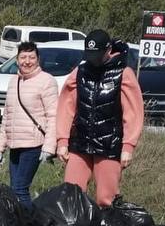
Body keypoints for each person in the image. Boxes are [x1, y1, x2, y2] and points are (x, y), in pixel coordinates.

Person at [55, 30, 143, 206]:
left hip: (109, 144)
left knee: (106, 199)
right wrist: (62, 141)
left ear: (108, 50)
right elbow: (66, 107)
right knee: (71, 195)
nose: (92, 59)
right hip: (80, 142)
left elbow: (133, 113)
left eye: (97, 55)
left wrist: (128, 146)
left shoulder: (123, 74)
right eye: (90, 55)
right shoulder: (79, 72)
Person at [0, 41, 58, 207]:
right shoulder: (13, 81)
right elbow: (7, 116)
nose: (27, 61)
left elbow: (53, 116)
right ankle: (20, 225)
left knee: (20, 188)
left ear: (38, 59)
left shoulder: (46, 81)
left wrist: (49, 148)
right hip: (15, 144)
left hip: (34, 144)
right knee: (13, 189)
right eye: (23, 57)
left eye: (31, 57)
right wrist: (0, 146)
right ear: (16, 60)